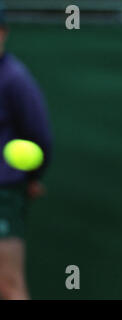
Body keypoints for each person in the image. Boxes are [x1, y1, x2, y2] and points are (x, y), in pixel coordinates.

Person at [0, 8, 52, 299]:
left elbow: (40, 136)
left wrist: (32, 177)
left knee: (8, 285)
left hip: (4, 195)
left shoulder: (14, 78)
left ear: (3, 33)